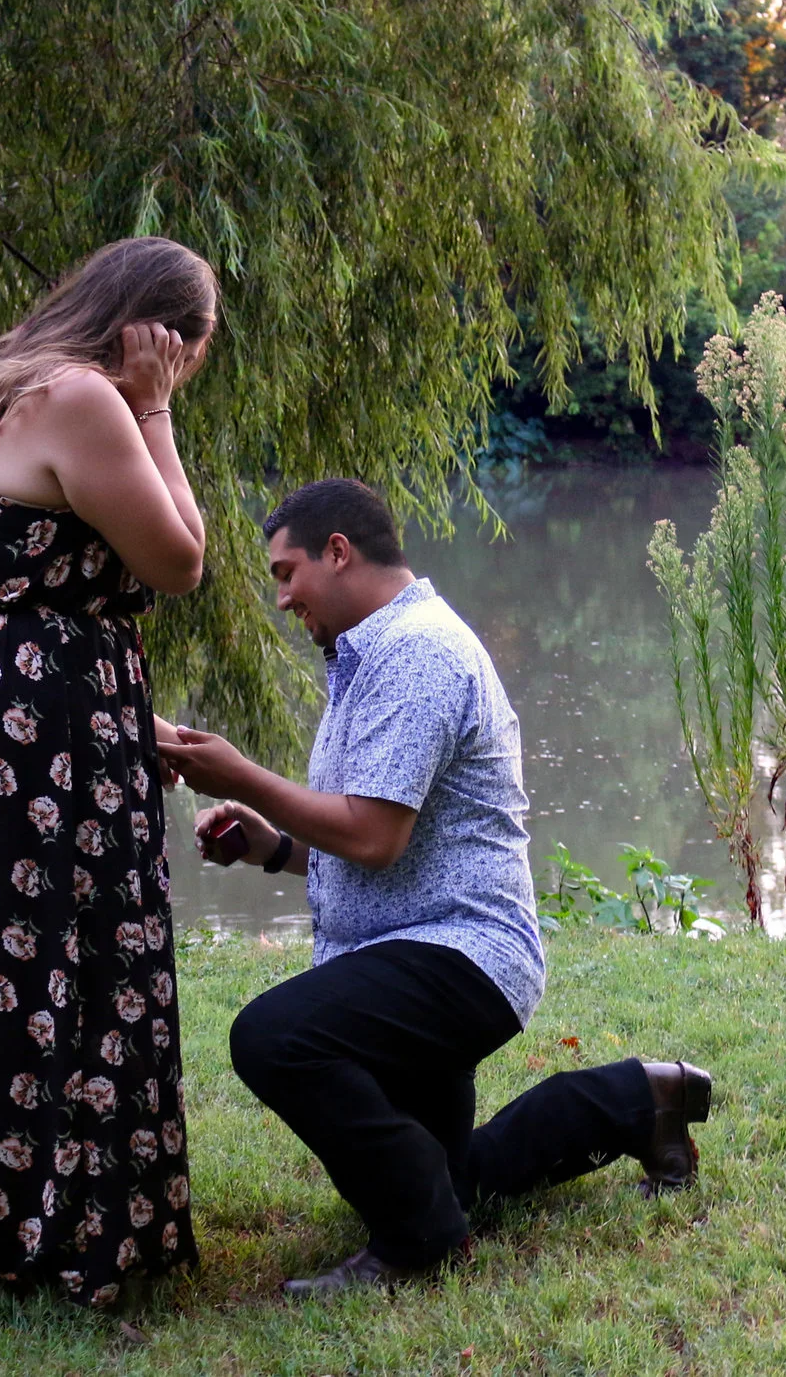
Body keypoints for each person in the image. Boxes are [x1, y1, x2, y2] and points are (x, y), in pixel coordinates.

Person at [157, 477, 713, 1297]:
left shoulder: (420, 652)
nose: (281, 598)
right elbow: (376, 837)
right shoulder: (370, 657)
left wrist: (240, 770)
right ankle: (641, 1098)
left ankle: (420, 1243)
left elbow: (374, 838)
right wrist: (273, 848)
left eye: (286, 572)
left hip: (461, 955)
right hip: (409, 946)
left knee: (274, 1037)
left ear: (339, 553)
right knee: (457, 1180)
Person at [0, 237, 215, 1307]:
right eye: (188, 357)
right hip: (36, 722)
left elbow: (37, 576)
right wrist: (158, 408)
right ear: (160, 336)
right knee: (67, 955)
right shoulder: (88, 396)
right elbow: (178, 559)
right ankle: (62, 1229)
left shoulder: (7, 381)